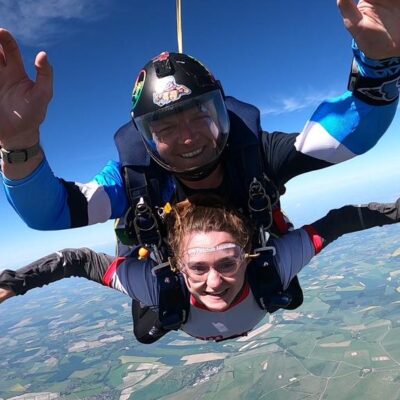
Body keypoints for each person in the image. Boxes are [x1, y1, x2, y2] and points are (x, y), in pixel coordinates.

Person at [1, 1, 400, 340]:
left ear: (222, 111)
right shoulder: (133, 178)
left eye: (199, 116)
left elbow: (349, 137)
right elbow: (49, 214)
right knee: (157, 321)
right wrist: (18, 143)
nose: (188, 138)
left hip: (238, 257)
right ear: (145, 138)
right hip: (172, 264)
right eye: (166, 127)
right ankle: (145, 244)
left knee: (272, 290)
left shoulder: (256, 152)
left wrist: (379, 62)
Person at [1, 195, 400, 342]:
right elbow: (79, 261)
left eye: (227, 263)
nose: (214, 282)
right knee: (147, 332)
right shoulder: (160, 287)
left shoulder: (270, 264)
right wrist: (12, 283)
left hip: (244, 289)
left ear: (247, 254)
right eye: (198, 268)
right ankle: (134, 235)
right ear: (177, 265)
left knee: (286, 295)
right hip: (175, 301)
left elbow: (341, 219)